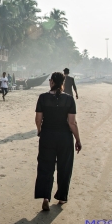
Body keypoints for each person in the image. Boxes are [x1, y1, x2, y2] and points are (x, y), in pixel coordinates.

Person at [34, 72, 82, 211]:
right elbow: (72, 123)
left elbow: (38, 119)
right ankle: (61, 197)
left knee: (45, 167)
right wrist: (77, 140)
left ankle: (46, 198)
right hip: (64, 138)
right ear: (63, 83)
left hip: (47, 136)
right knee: (64, 167)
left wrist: (39, 131)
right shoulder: (69, 100)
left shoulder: (43, 98)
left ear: (52, 82)